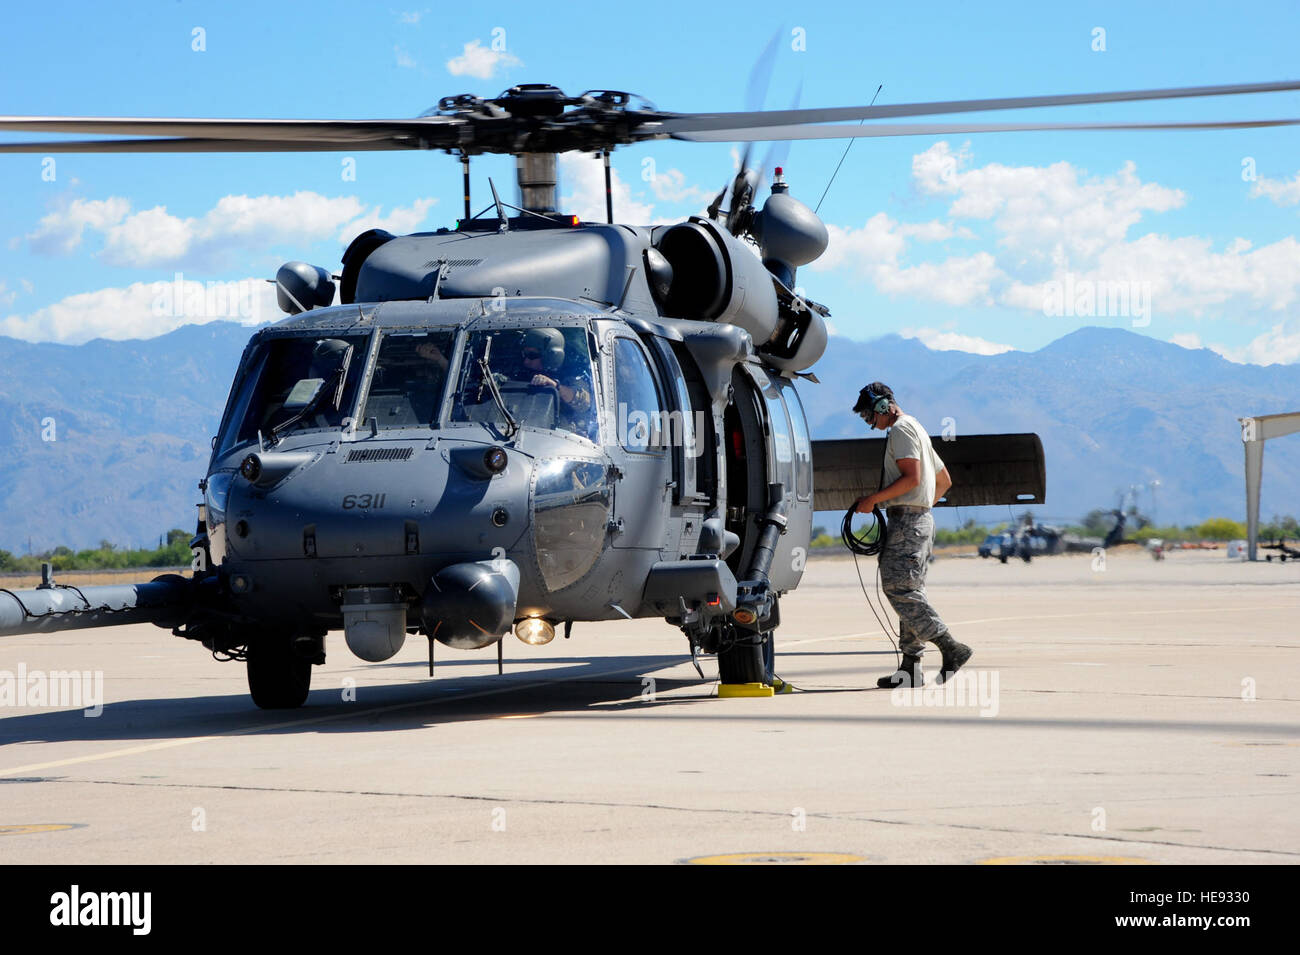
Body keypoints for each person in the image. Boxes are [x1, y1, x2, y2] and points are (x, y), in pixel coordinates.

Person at [852, 381, 972, 688]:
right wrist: (920, 507)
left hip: (908, 521)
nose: (871, 424)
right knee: (909, 589)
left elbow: (913, 477)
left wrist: (875, 501)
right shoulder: (916, 427)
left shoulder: (901, 430)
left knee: (898, 589)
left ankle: (950, 647)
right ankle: (910, 667)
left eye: (869, 416)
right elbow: (943, 480)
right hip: (918, 520)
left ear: (883, 406)